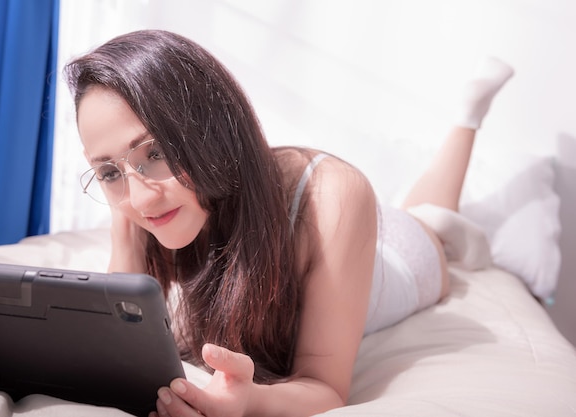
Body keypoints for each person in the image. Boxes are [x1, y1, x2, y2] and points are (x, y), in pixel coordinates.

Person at [63, 30, 513, 417]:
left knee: (429, 218)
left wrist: (253, 401)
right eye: (108, 172)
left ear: (209, 128)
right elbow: (116, 349)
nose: (138, 198)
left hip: (403, 258)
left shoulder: (332, 192)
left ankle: (467, 117)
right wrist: (125, 247)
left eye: (156, 152)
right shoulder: (133, 199)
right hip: (335, 235)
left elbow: (327, 389)